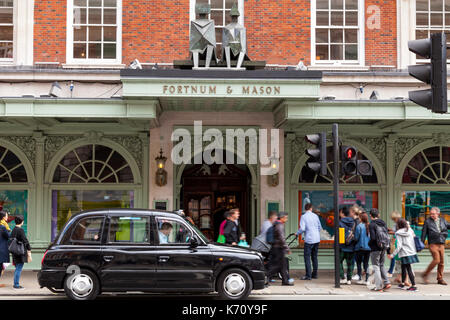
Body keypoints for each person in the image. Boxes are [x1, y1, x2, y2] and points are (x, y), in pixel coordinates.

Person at [421, 207, 450, 285]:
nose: (431, 215)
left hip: (441, 243)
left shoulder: (443, 220)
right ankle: (425, 275)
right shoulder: (427, 222)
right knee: (437, 260)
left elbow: (449, 226)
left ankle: (440, 279)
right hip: (432, 243)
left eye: (433, 214)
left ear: (438, 213)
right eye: (431, 214)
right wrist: (421, 244)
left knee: (442, 262)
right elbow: (423, 233)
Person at [388, 219, 419, 291]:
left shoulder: (398, 233)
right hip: (411, 251)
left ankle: (414, 286)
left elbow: (399, 246)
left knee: (408, 269)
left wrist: (392, 255)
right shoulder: (410, 230)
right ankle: (402, 283)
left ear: (399, 225)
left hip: (404, 253)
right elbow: (414, 238)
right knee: (404, 267)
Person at [296, 203, 321, 280]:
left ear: (305, 209)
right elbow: (319, 227)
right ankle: (315, 274)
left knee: (307, 257)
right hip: (317, 239)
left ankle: (308, 275)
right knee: (314, 257)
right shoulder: (315, 216)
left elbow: (302, 228)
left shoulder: (303, 216)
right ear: (311, 208)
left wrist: (297, 233)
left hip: (309, 239)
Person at [267, 212, 292, 286]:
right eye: (286, 217)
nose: (286, 219)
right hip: (278, 248)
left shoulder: (276, 224)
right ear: (282, 218)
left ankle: (285, 281)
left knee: (283, 265)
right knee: (277, 266)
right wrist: (287, 248)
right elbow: (281, 238)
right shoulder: (279, 225)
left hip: (276, 247)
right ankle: (265, 277)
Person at [368, 208, 391, 292]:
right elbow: (387, 236)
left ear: (370, 215)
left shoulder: (371, 224)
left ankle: (379, 287)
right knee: (381, 265)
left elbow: (373, 237)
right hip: (384, 247)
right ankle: (387, 282)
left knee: (376, 266)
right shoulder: (383, 223)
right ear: (378, 215)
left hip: (375, 248)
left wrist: (369, 244)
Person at [388, 211, 411, 286]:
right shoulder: (400, 224)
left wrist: (392, 232)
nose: (394, 221)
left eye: (394, 219)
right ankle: (402, 279)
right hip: (401, 246)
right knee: (402, 263)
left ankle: (403, 279)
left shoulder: (402, 224)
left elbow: (397, 233)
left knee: (403, 263)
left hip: (401, 246)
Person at [10, 215, 31, 290]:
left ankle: (16, 283)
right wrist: (29, 249)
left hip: (14, 251)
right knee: (19, 268)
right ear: (21, 221)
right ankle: (16, 285)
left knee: (17, 268)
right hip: (20, 252)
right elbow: (25, 240)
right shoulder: (20, 230)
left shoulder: (14, 229)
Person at [339, 206, 356, 284]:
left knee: (339, 262)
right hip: (351, 246)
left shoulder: (340, 223)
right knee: (350, 263)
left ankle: (342, 277)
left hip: (342, 247)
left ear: (342, 213)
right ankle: (349, 279)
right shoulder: (353, 222)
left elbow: (341, 237)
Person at [354, 212, 371, 284]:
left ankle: (360, 278)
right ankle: (367, 279)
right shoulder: (369, 226)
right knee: (366, 263)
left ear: (361, 218)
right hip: (368, 248)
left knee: (359, 263)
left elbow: (356, 238)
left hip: (360, 247)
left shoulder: (359, 226)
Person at [0, 211, 10, 287]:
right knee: (0, 267)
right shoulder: (3, 227)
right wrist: (9, 230)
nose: (7, 217)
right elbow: (8, 236)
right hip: (2, 250)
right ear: (3, 217)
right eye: (6, 216)